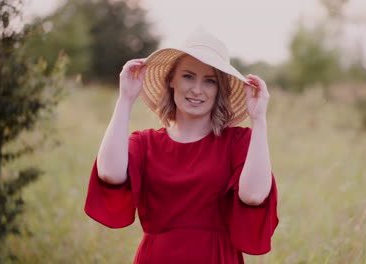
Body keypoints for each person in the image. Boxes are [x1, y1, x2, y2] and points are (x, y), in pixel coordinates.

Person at [84, 29, 279, 264]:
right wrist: (125, 99)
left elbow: (255, 196)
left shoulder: (238, 142)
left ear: (219, 90)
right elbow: (109, 174)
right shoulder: (145, 143)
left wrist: (259, 120)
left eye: (210, 81)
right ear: (171, 81)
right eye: (188, 76)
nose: (197, 89)